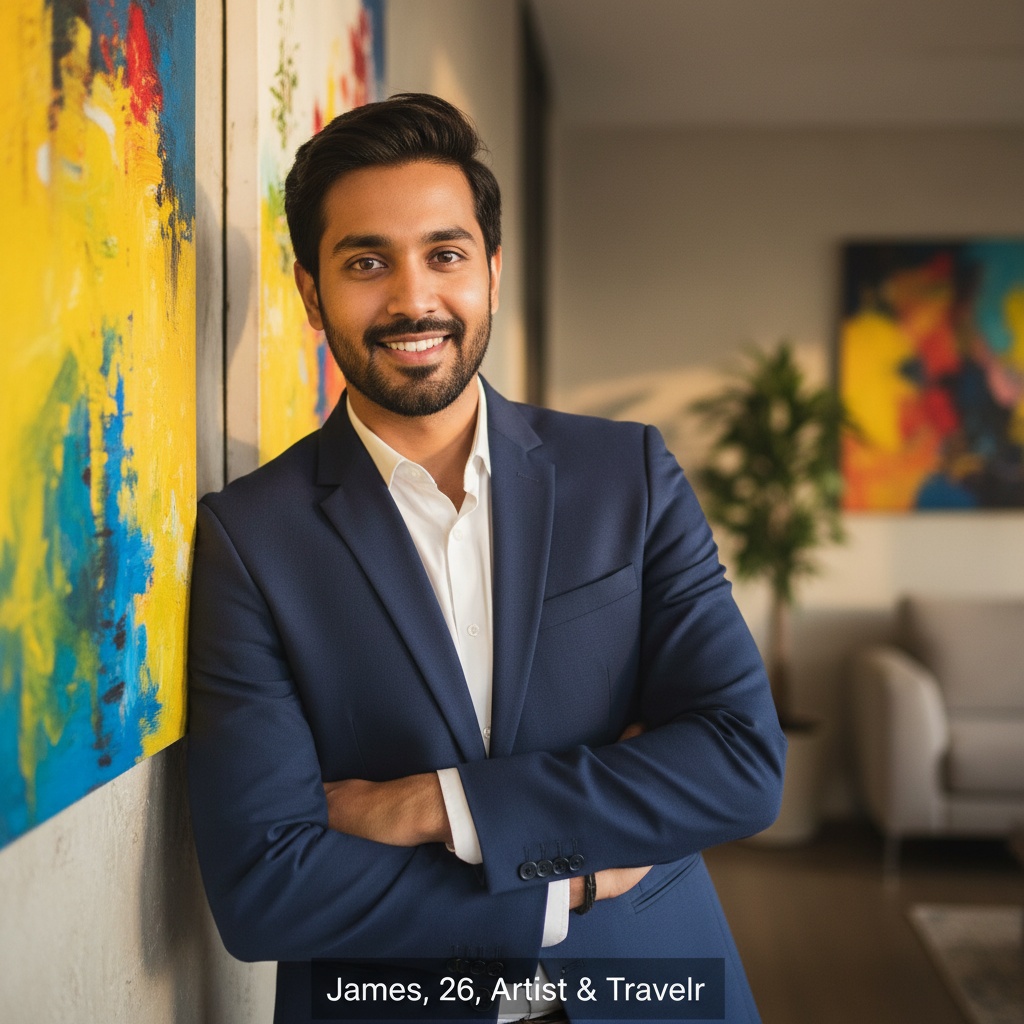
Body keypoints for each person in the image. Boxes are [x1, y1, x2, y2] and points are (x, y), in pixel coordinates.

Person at [187, 93, 786, 1024]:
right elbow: (266, 886)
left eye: (445, 254)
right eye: (365, 262)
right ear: (311, 293)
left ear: (492, 274)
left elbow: (741, 764)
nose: (412, 297)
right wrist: (567, 885)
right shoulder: (251, 537)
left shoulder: (626, 474)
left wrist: (435, 805)